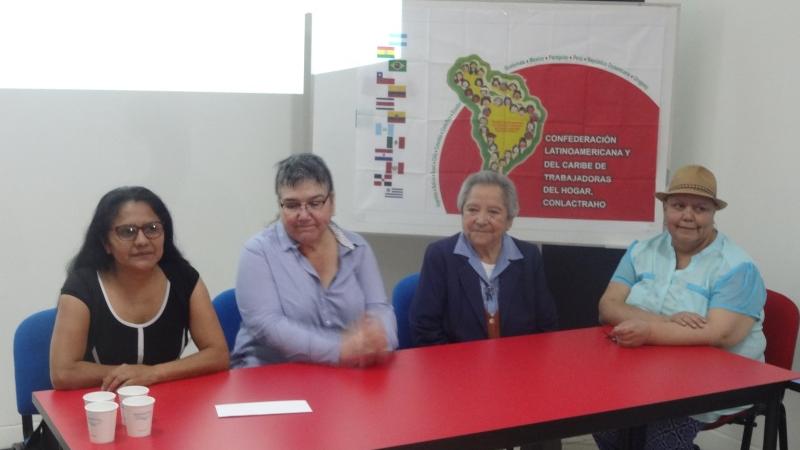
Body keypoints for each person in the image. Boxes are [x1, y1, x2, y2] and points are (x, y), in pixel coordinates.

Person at [594, 165, 767, 450]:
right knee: (604, 422)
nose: (687, 216)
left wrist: (649, 331)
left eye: (700, 208)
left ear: (713, 214)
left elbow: (722, 335)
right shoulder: (641, 251)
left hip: (720, 378)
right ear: (665, 209)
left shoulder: (738, 267)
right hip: (649, 370)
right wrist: (667, 321)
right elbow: (608, 306)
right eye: (678, 206)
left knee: (660, 438)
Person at [50, 187, 229, 391]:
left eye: (152, 228)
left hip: (169, 399)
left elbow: (218, 355)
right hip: (100, 405)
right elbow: (63, 373)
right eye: (127, 232)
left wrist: (153, 374)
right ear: (105, 242)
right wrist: (131, 375)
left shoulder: (184, 278)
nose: (142, 241)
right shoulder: (82, 286)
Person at [231, 153, 397, 368]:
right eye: (292, 205)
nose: (304, 215)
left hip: (343, 375)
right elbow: (268, 326)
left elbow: (379, 308)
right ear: (280, 206)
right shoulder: (258, 252)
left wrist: (381, 338)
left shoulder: (357, 248)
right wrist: (340, 349)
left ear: (332, 202)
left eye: (315, 203)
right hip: (271, 374)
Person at [410, 170, 558, 345]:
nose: (481, 220)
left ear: (509, 220)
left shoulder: (528, 257)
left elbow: (546, 327)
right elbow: (425, 330)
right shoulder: (440, 256)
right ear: (461, 213)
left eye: (493, 212)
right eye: (472, 210)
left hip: (517, 365)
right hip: (457, 366)